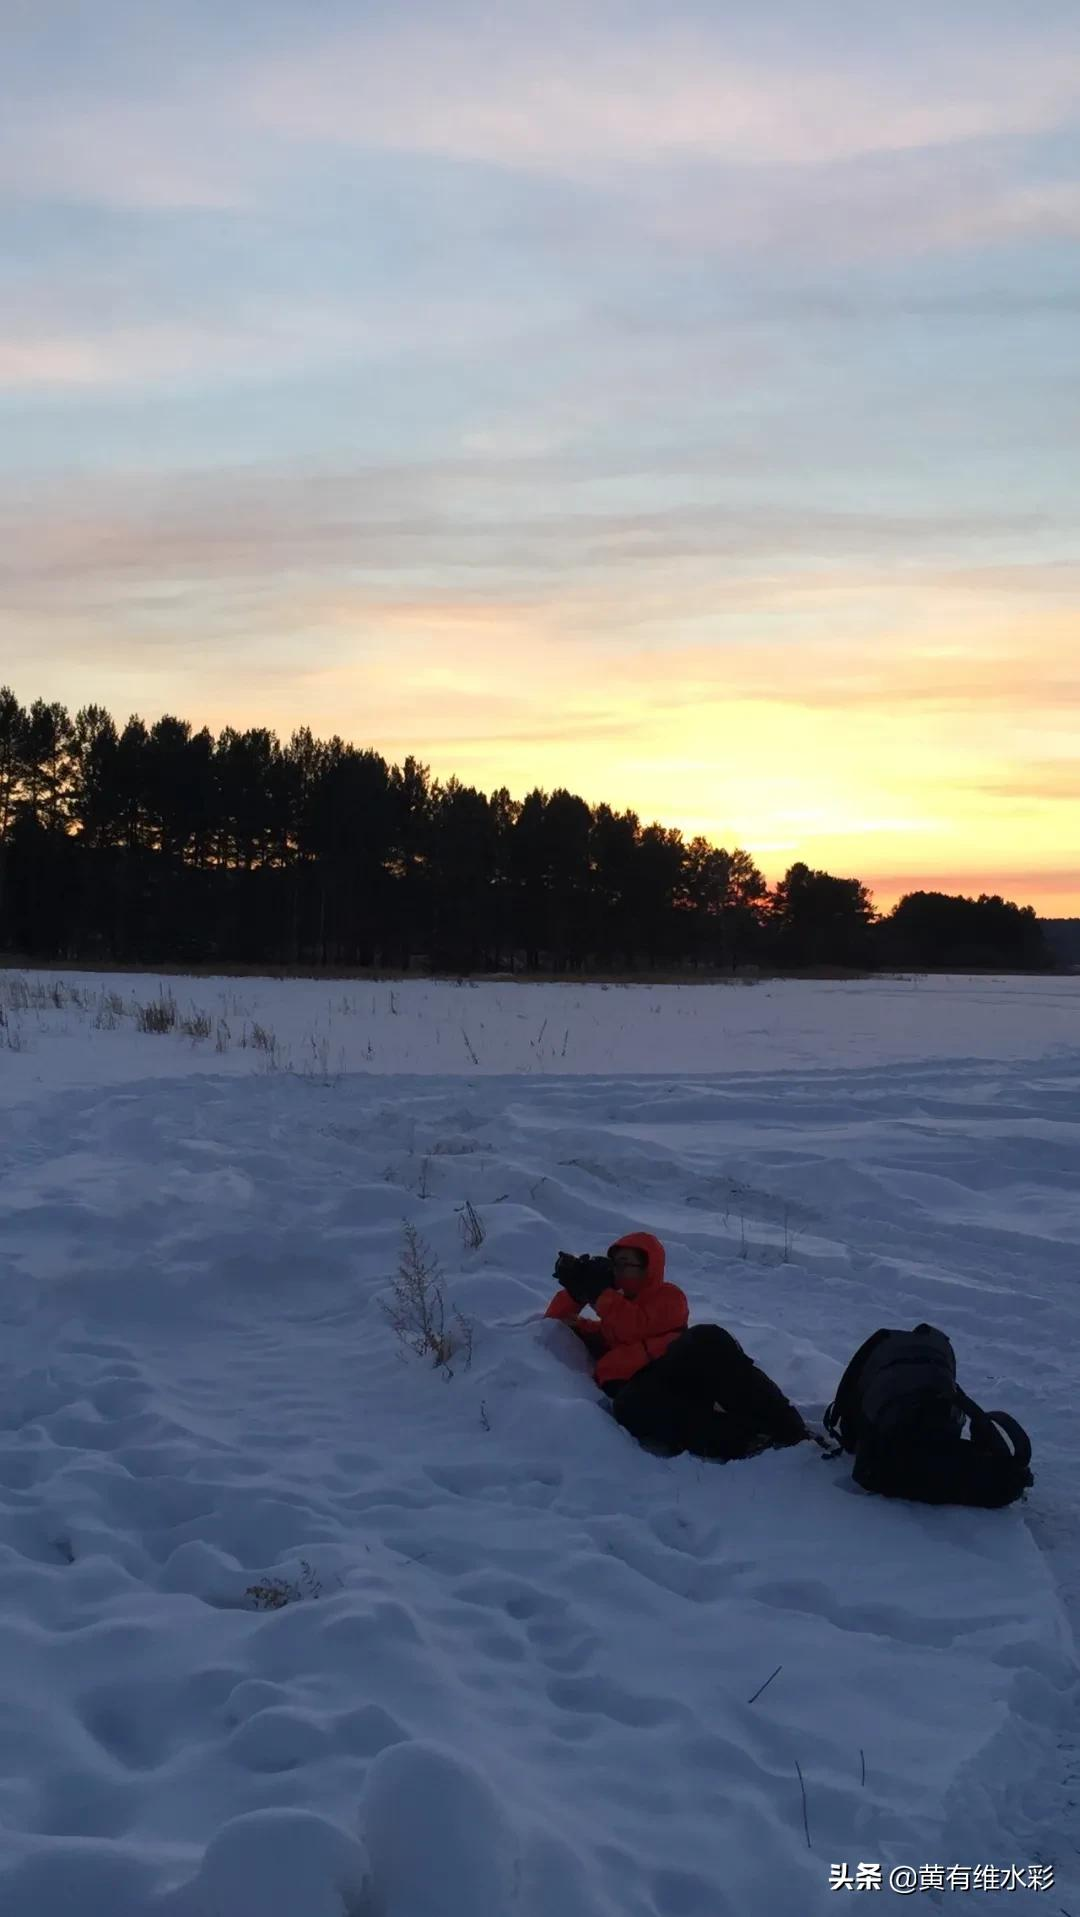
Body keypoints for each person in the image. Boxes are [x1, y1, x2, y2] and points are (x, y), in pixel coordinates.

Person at [546, 1231, 809, 1462]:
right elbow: (555, 1325)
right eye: (615, 1264)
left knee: (708, 1337)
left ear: (648, 1268)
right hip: (642, 1392)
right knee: (629, 1405)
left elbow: (635, 1327)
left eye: (626, 1264)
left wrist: (600, 1294)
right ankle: (745, 1441)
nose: (618, 1270)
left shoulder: (668, 1297)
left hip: (680, 1373)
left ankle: (790, 1429)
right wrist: (575, 1290)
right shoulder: (611, 1316)